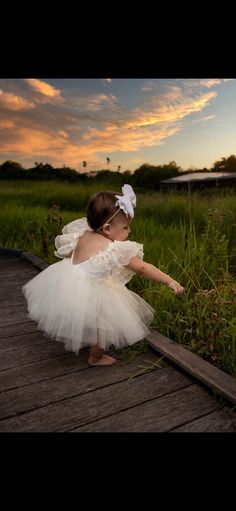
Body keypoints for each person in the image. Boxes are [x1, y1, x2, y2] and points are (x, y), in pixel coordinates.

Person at [22, 184, 184, 367]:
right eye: (125, 227)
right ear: (107, 228)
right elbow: (143, 268)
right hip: (92, 289)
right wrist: (169, 281)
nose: (128, 231)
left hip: (68, 281)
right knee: (101, 323)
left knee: (86, 315)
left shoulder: (82, 234)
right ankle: (96, 357)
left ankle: (84, 338)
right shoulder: (114, 249)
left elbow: (71, 254)